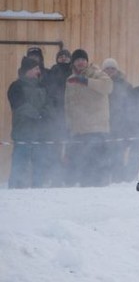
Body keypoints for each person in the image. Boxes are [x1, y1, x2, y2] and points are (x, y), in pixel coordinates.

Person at [64, 49, 113, 186]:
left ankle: (100, 195)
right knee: (82, 168)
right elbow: (68, 105)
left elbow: (108, 86)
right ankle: (86, 198)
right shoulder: (70, 80)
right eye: (77, 60)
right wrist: (69, 126)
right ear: (73, 63)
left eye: (83, 59)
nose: (80, 62)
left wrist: (86, 81)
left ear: (87, 61)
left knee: (97, 168)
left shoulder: (97, 73)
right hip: (79, 131)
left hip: (97, 130)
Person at [6, 57, 49, 188]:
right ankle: (15, 192)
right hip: (22, 135)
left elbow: (48, 103)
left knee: (40, 168)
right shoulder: (16, 86)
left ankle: (39, 192)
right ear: (27, 70)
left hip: (40, 136)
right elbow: (19, 106)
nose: (38, 71)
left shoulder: (42, 86)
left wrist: (46, 112)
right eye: (36, 68)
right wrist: (38, 114)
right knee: (19, 166)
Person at [41, 49, 72, 186]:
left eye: (66, 56)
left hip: (71, 115)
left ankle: (68, 177)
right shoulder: (52, 72)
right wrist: (52, 112)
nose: (63, 58)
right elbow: (47, 92)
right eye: (60, 56)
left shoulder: (74, 73)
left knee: (70, 148)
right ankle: (54, 177)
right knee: (54, 148)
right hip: (55, 115)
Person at [102, 58, 135, 182]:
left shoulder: (125, 85)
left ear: (116, 70)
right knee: (103, 154)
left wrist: (128, 126)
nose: (110, 71)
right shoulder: (100, 83)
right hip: (104, 124)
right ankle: (104, 179)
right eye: (107, 68)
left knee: (118, 154)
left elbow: (131, 107)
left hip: (120, 125)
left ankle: (118, 180)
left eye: (112, 68)